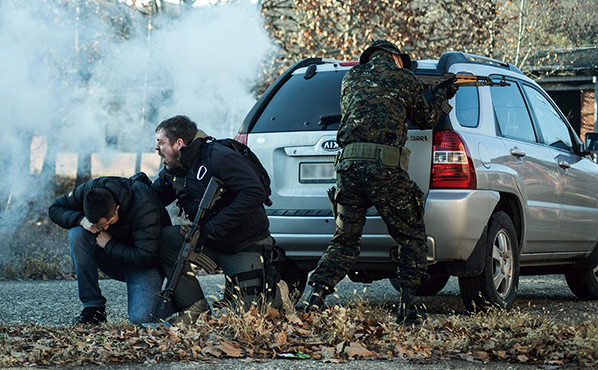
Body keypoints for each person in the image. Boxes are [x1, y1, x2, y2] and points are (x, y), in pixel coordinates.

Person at [305, 40, 458, 324]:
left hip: (348, 167)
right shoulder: (406, 79)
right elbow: (424, 120)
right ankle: (407, 308)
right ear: (395, 58)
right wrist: (441, 96)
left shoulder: (350, 78)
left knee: (344, 240)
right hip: (384, 168)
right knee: (412, 236)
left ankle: (315, 297)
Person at [152, 115, 289, 325]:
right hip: (209, 239)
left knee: (244, 320)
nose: (156, 149)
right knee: (166, 239)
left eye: (160, 143)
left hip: (244, 243)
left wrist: (216, 226)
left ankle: (277, 293)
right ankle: (194, 306)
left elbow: (254, 192)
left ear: (178, 143)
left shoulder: (219, 156)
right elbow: (153, 197)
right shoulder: (175, 169)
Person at [48, 176, 172, 325]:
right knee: (77, 234)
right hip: (117, 256)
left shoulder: (144, 205)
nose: (105, 228)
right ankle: (94, 308)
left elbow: (146, 256)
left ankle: (182, 303)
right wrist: (81, 219)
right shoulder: (91, 190)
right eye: (99, 226)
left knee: (141, 318)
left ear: (117, 208)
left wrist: (108, 244)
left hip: (144, 264)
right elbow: (55, 209)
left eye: (107, 224)